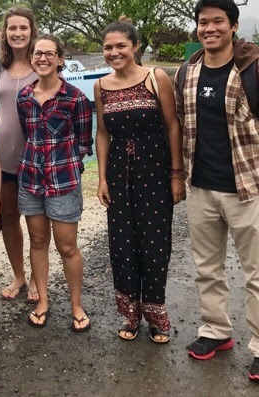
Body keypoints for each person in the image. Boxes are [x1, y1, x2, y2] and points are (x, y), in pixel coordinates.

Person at [174, 0, 259, 383]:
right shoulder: (187, 71)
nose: (210, 29)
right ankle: (215, 330)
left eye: (218, 22)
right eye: (203, 22)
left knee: (256, 271)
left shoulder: (258, 71)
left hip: (244, 189)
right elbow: (181, 121)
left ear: (234, 26)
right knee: (207, 268)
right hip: (200, 187)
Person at [94, 19, 184, 343]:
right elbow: (102, 134)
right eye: (108, 47)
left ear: (134, 47)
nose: (114, 52)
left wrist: (176, 174)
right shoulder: (101, 86)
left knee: (155, 244)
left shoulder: (155, 77)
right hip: (119, 172)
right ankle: (131, 313)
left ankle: (156, 314)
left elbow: (172, 126)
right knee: (122, 244)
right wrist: (102, 178)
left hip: (154, 169)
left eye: (121, 46)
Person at [17, 35, 93, 332]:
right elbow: (28, 134)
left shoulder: (76, 98)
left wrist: (66, 162)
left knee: (67, 246)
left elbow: (84, 142)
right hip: (31, 179)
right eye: (38, 53)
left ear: (60, 59)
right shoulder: (23, 97)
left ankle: (76, 305)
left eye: (50, 53)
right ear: (32, 58)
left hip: (63, 182)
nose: (43, 58)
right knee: (37, 241)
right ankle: (43, 301)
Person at [0, 6, 40, 303]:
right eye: (12, 29)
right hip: (2, 155)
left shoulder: (43, 63)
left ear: (32, 31)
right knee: (9, 217)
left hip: (35, 156)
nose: (18, 33)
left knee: (36, 220)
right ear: (5, 34)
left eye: (23, 28)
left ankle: (38, 277)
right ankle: (19, 275)